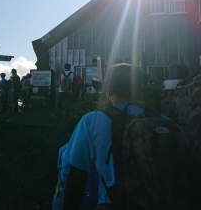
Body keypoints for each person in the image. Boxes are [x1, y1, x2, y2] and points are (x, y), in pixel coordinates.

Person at [63, 63, 194, 210]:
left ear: (108, 92)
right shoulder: (166, 122)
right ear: (138, 93)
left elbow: (76, 178)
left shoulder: (91, 121)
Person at [52, 117, 99, 210]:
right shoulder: (95, 152)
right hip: (88, 196)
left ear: (69, 134)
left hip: (62, 196)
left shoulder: (63, 150)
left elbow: (60, 173)